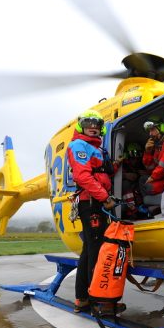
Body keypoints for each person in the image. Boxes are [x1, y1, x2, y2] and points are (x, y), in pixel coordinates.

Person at [66, 109, 123, 315]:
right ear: (81, 125)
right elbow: (83, 177)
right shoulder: (78, 145)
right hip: (91, 203)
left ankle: (82, 298)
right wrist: (105, 198)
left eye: (97, 124)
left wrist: (116, 166)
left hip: (94, 202)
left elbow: (100, 173)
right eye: (89, 123)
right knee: (97, 249)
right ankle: (98, 301)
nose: (94, 127)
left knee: (88, 251)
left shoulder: (96, 149)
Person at [140, 119, 164, 208]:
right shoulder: (157, 147)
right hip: (161, 178)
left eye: (152, 130)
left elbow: (163, 164)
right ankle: (152, 207)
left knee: (148, 187)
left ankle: (156, 206)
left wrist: (152, 177)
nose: (150, 134)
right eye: (149, 131)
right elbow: (150, 167)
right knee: (142, 179)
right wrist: (147, 152)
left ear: (161, 128)